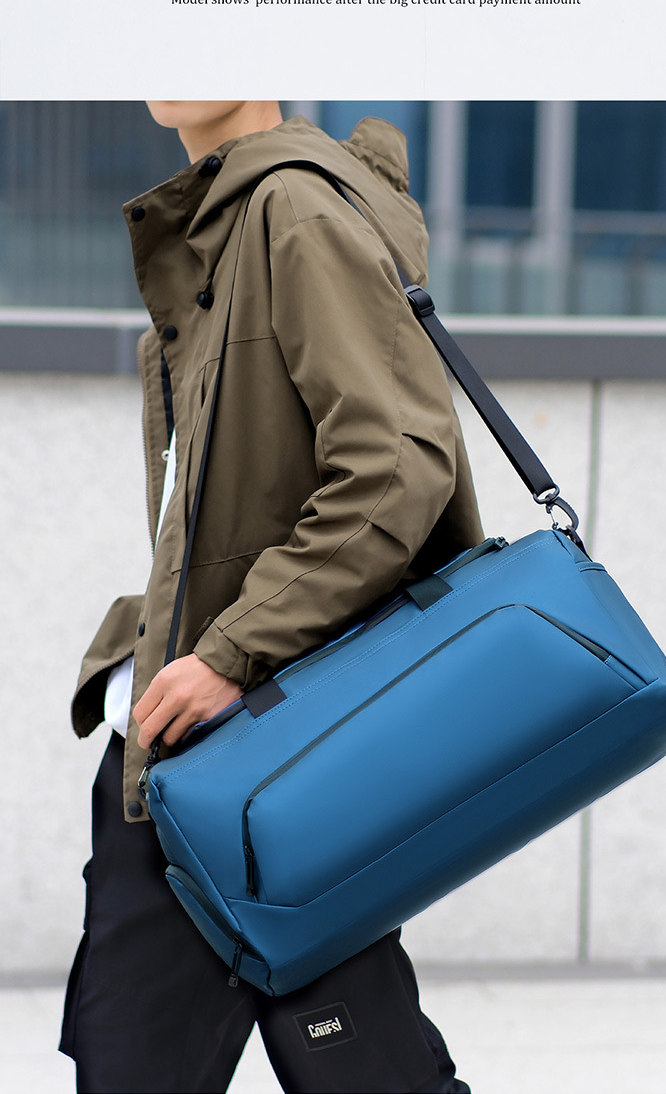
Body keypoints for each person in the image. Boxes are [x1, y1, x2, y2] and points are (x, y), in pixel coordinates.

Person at [60, 101, 484, 1094]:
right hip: (236, 757)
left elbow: (396, 464)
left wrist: (229, 653)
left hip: (250, 756)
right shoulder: (220, 231)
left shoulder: (291, 209)